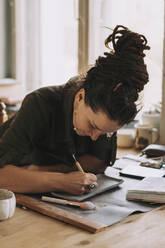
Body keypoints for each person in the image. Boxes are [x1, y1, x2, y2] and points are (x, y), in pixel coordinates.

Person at [0, 25, 150, 195]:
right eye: (92, 125)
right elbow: (2, 176)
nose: (95, 137)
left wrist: (38, 171)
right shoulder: (39, 103)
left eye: (105, 133)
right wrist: (59, 181)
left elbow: (98, 162)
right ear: (80, 97)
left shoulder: (109, 110)